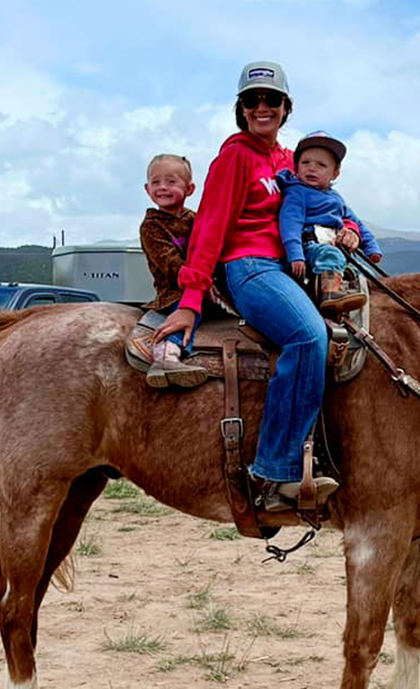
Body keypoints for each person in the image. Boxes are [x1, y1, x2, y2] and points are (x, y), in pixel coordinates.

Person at [154, 62, 339, 513]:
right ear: (241, 109)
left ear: (285, 108)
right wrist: (191, 300)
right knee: (308, 337)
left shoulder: (285, 160)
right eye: (252, 100)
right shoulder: (234, 157)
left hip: (288, 265)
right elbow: (211, 229)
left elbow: (314, 205)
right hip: (250, 267)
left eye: (271, 100)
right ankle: (274, 474)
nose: (262, 107)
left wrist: (348, 229)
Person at [277, 130, 382, 316]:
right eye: (305, 163)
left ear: (335, 173)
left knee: (362, 272)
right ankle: (331, 294)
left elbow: (356, 222)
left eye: (321, 165)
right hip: (310, 246)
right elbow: (290, 223)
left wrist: (372, 248)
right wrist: (295, 255)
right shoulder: (297, 193)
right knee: (330, 255)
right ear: (296, 167)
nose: (311, 168)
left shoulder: (336, 198)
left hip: (332, 245)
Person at [139, 154, 207, 388]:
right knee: (189, 312)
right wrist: (200, 280)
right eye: (156, 182)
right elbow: (170, 264)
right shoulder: (151, 227)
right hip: (174, 290)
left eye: (171, 181)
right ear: (147, 189)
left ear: (189, 189)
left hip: (200, 283)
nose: (163, 188)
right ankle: (167, 351)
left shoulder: (196, 219)